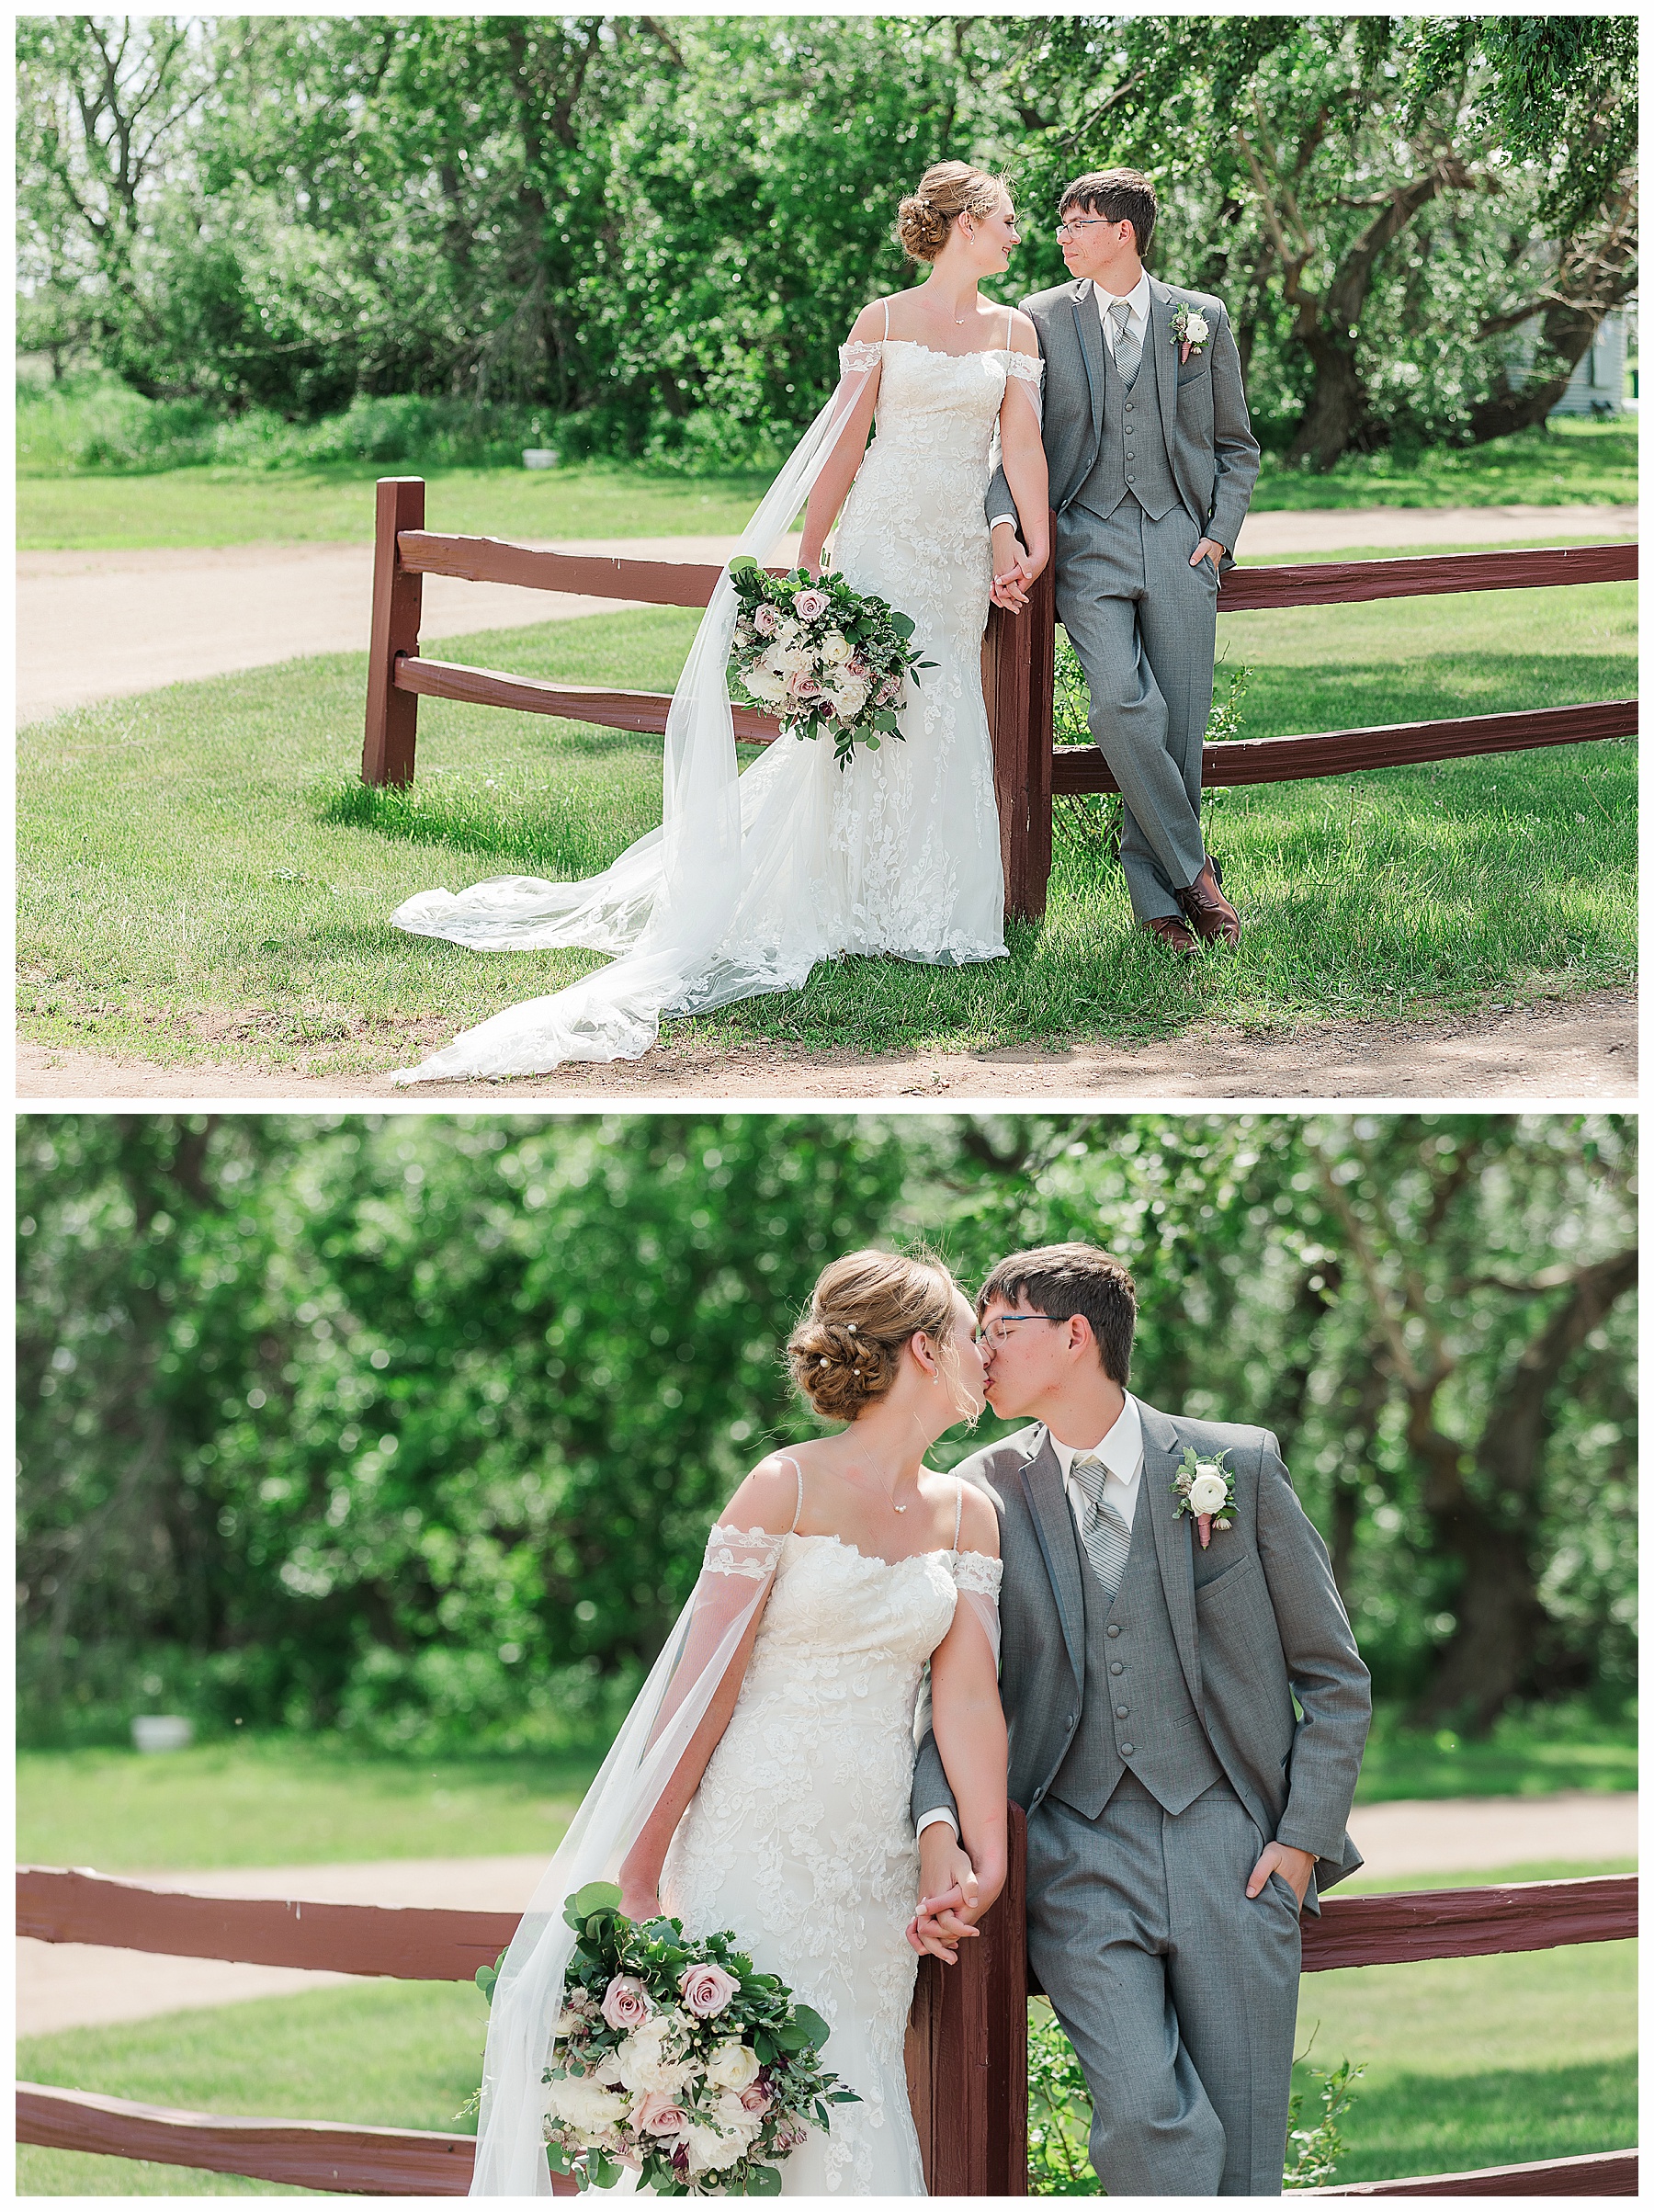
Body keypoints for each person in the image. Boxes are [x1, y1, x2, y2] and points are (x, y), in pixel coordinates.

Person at [390, 164, 1048, 1083]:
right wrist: (813, 553)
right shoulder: (883, 320)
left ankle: (935, 913)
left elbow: (1019, 444)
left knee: (942, 715)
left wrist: (1033, 545)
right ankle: (842, 900)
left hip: (953, 556)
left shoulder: (1014, 331)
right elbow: (843, 443)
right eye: (1009, 220)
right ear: (968, 224)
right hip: (882, 537)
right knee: (858, 718)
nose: (1018, 235)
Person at [470, 1250, 1007, 2196]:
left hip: (872, 1869)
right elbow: (701, 1688)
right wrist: (640, 1862)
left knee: (851, 2091)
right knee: (742, 2097)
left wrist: (985, 1854)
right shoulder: (782, 1486)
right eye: (972, 1333)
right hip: (750, 1840)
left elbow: (965, 1700)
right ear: (924, 1350)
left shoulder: (969, 1512)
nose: (986, 1354)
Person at [910, 1242, 1370, 2196]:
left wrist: (1299, 1842)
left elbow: (1332, 1673)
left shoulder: (1233, 1464)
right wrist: (939, 1824)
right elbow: (941, 1696)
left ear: (1076, 1335)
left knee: (1245, 2153)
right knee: (1147, 2117)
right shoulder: (981, 1488)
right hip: (1074, 1856)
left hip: (1233, 1853)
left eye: (1002, 1328)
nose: (981, 1351)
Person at [989, 168, 1260, 956]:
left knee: (1178, 726)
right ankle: (1195, 871)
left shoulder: (1199, 317)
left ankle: (1159, 904)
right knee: (1117, 706)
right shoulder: (1038, 318)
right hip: (1086, 541)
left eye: (1076, 222)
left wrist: (1220, 532)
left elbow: (1236, 444)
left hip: (1183, 542)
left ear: (1122, 233)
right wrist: (1003, 521)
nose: (1061, 235)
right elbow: (1007, 442)